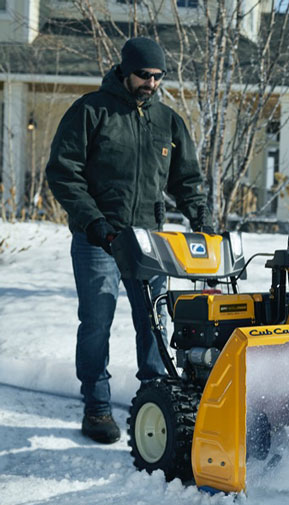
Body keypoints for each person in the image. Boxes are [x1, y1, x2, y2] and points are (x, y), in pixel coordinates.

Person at [46, 37, 210, 444]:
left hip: (149, 240)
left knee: (154, 322)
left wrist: (202, 217)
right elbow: (63, 172)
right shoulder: (91, 111)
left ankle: (155, 400)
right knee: (97, 322)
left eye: (157, 77)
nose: (150, 84)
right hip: (99, 238)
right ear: (125, 70)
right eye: (144, 75)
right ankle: (97, 405)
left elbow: (185, 180)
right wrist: (93, 222)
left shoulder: (167, 121)